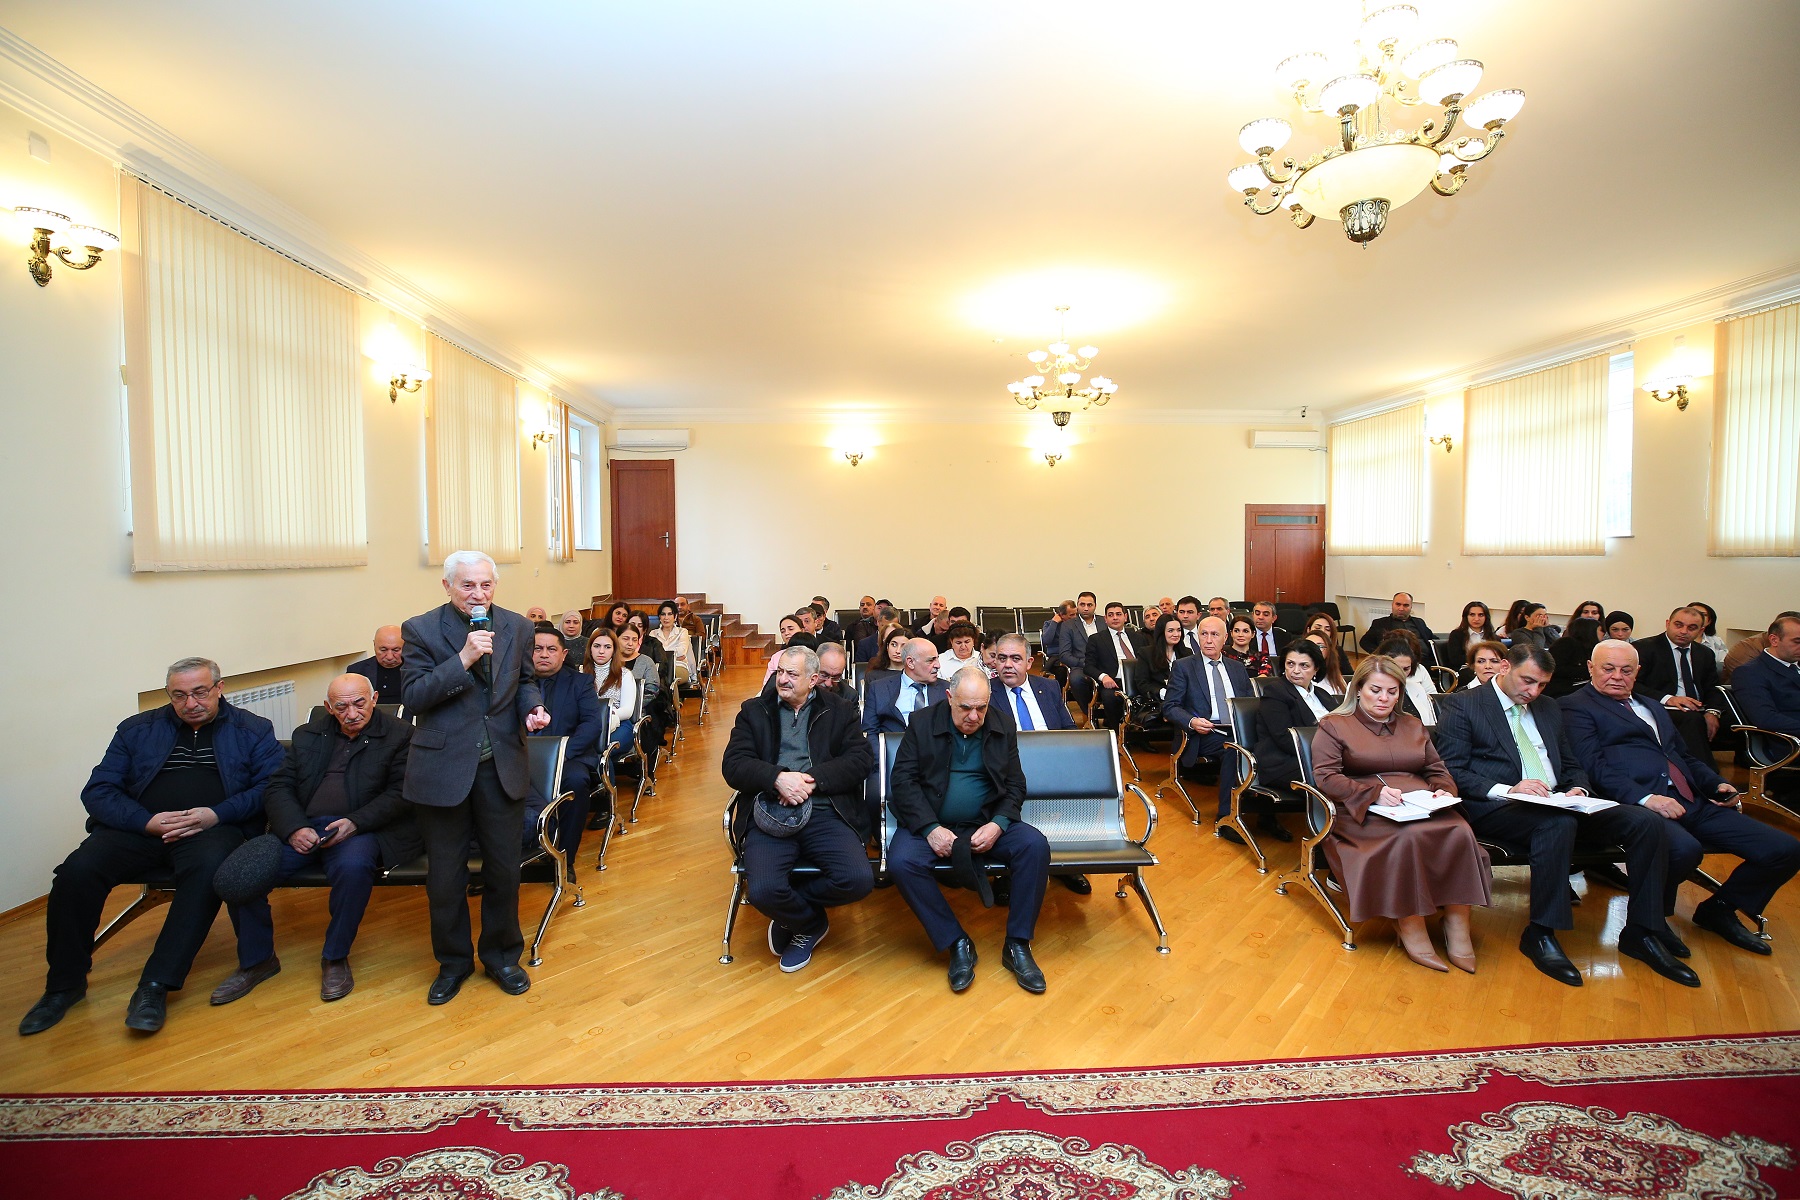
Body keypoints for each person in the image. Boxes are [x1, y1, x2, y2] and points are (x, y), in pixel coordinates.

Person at [18, 658, 284, 1037]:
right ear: (168, 695)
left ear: (219, 688)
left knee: (208, 872)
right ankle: (64, 985)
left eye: (200, 692)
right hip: (141, 827)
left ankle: (155, 985)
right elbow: (99, 790)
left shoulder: (253, 729)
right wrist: (146, 821)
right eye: (179, 695)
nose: (190, 703)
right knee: (76, 872)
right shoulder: (137, 729)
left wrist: (215, 814)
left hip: (212, 829)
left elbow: (270, 788)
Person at [1433, 646, 1692, 987]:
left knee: (1645, 822)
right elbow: (1451, 769)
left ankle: (1642, 931)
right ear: (1505, 666)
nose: (1533, 692)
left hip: (1557, 802)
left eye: (1542, 684)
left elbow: (1571, 764)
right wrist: (1509, 788)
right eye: (1527, 681)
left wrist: (1578, 790)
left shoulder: (1548, 707)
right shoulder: (1464, 705)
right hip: (1497, 805)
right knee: (1557, 824)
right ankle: (1541, 933)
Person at [1562, 640, 1800, 959]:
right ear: (1591, 668)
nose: (1617, 676)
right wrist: (1647, 798)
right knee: (1684, 850)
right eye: (1608, 668)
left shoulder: (1652, 705)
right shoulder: (1575, 706)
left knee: (1784, 849)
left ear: (1637, 672)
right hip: (1636, 806)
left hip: (1690, 800)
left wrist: (1717, 784)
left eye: (1626, 670)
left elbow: (1682, 756)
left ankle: (1720, 909)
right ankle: (1651, 922)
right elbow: (1593, 766)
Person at [400, 550, 551, 1006]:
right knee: (445, 877)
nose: (478, 594)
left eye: (486, 584)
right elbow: (414, 696)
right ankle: (453, 963)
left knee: (504, 871)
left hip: (500, 766)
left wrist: (533, 708)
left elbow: (525, 681)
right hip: (443, 770)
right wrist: (462, 658)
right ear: (448, 586)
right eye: (467, 585)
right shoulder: (420, 629)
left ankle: (502, 957)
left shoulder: (517, 626)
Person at [224, 674, 420, 1004]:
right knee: (243, 874)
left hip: (362, 828)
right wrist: (294, 828)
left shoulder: (401, 735)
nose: (352, 713)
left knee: (354, 868)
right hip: (304, 828)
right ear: (329, 707)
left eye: (359, 703)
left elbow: (402, 792)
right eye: (341, 707)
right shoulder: (307, 735)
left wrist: (355, 823)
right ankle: (257, 960)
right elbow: (278, 787)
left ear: (374, 699)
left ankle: (335, 957)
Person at [1310, 657, 1490, 972]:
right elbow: (1326, 777)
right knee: (1407, 837)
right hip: (1362, 808)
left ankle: (1457, 919)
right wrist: (1373, 793)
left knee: (1460, 831)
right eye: (1375, 690)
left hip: (1419, 802)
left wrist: (1443, 790)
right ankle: (1410, 922)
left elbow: (1436, 768)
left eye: (1392, 692)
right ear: (1358, 689)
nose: (1384, 698)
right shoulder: (1334, 725)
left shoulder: (1412, 724)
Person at [888, 668, 1051, 994]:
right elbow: (903, 782)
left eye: (981, 707)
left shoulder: (1002, 724)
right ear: (949, 698)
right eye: (965, 707)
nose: (974, 716)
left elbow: (1015, 784)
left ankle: (1018, 943)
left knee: (1034, 846)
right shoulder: (922, 723)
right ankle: (955, 941)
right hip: (932, 822)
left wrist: (998, 824)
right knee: (902, 862)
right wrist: (930, 828)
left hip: (985, 820)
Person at [721, 646, 874, 974]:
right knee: (763, 891)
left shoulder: (839, 710)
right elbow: (733, 765)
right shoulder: (754, 711)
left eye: (792, 674)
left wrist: (811, 780)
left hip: (825, 810)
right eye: (780, 672)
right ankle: (809, 923)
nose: (783, 679)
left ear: (813, 679)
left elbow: (861, 760)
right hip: (770, 811)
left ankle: (792, 913)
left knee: (858, 880)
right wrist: (777, 778)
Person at [1162, 617, 1253, 835]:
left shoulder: (1237, 668)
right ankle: (1227, 818)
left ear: (1225, 638)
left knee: (1266, 747)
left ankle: (1268, 815)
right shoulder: (1184, 666)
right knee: (1235, 749)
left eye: (1215, 635)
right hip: (1204, 733)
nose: (1209, 640)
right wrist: (1191, 721)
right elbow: (1170, 707)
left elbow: (1249, 703)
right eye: (1204, 634)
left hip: (1236, 729)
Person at [528, 630, 604, 871]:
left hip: (569, 756)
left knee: (576, 782)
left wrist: (560, 755)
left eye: (551, 649)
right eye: (538, 648)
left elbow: (592, 724)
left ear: (564, 654)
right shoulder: (514, 684)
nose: (544, 654)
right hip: (521, 756)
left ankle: (564, 859)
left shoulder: (580, 682)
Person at [1633, 606, 1724, 762]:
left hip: (1697, 706)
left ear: (1701, 630)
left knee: (1733, 723)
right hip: (1661, 706)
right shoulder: (1644, 648)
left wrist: (1713, 712)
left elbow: (1712, 687)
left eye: (1691, 628)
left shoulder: (1705, 653)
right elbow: (1634, 685)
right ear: (1668, 623)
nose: (1683, 631)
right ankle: (1704, 773)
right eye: (1678, 625)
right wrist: (1669, 699)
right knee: (1692, 720)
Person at [1253, 641, 1336, 800]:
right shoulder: (1275, 692)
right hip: (1285, 763)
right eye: (1290, 664)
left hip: (1323, 759)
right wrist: (1329, 753)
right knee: (1339, 777)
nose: (1296, 671)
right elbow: (1284, 738)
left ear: (1316, 668)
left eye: (1304, 665)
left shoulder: (1322, 695)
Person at [1731, 615, 1800, 802]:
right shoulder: (1750, 672)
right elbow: (1765, 718)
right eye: (1797, 642)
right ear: (1774, 640)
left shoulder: (1795, 666)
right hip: (1785, 743)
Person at [587, 629, 639, 805]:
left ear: (614, 650)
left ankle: (607, 805)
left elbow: (627, 710)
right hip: (588, 726)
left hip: (619, 725)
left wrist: (605, 716)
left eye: (607, 647)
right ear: (590, 648)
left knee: (603, 750)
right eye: (597, 646)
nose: (601, 651)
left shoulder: (625, 675)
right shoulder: (580, 674)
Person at [863, 638, 947, 739]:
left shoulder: (946, 689)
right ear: (910, 662)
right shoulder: (879, 688)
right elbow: (870, 731)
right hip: (894, 747)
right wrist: (880, 750)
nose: (938, 665)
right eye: (930, 660)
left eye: (937, 659)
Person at [988, 633, 1073, 733]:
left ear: (1029, 662)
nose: (1008, 665)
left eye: (1016, 659)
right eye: (1002, 658)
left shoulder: (1049, 687)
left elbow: (1069, 729)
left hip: (1051, 742)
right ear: (996, 661)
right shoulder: (986, 692)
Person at [1083, 601, 1146, 730]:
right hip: (1113, 682)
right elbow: (1088, 666)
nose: (1115, 618)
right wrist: (1103, 677)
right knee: (1109, 698)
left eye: (1118, 614)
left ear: (1125, 617)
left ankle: (1141, 733)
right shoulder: (1096, 639)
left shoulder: (1138, 637)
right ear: (1105, 619)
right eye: (1111, 615)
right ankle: (1117, 734)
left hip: (1138, 680)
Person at [1376, 633, 1439, 728]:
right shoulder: (1365, 689)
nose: (1401, 674)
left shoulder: (1417, 689)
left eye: (1406, 669)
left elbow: (1430, 726)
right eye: (1395, 668)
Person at [1723, 612, 1800, 682]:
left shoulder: (1790, 655)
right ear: (1774, 639)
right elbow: (1752, 680)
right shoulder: (1746, 650)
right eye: (1797, 641)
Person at [1359, 592, 1436, 652]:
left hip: (1426, 661)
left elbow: (1433, 639)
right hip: (1396, 662)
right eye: (1398, 604)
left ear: (1411, 607)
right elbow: (1365, 642)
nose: (1401, 608)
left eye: (1406, 605)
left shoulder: (1419, 622)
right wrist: (1380, 654)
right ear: (1392, 605)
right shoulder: (1380, 623)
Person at [347, 626, 406, 704]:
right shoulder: (356, 672)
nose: (389, 657)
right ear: (374, 645)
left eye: (396, 650)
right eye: (383, 650)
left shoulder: (417, 669)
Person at [1546, 617, 1602, 699]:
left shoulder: (1592, 648)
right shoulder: (1566, 643)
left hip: (1580, 687)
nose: (1603, 633)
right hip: (1562, 690)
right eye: (1600, 630)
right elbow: (1557, 668)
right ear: (1591, 631)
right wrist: (1590, 671)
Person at [1141, 612, 1192, 699]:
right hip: (1159, 700)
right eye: (1171, 631)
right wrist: (1162, 692)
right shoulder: (1146, 653)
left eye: (1179, 630)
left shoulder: (1187, 653)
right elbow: (1143, 684)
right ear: (1161, 632)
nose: (1176, 634)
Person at [1303, 611, 1354, 686]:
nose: (1322, 631)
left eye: (1327, 630)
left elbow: (1350, 676)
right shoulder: (1298, 649)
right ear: (1308, 630)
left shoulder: (1337, 651)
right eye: (1317, 628)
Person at [1440, 602, 1494, 672]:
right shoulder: (1457, 635)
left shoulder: (1493, 637)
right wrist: (1478, 660)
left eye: (1481, 615)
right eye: (1472, 615)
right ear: (1466, 617)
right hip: (1465, 670)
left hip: (1490, 669)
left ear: (1486, 617)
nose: (1476, 619)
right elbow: (1455, 659)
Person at [653, 600, 696, 681]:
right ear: (659, 617)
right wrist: (672, 656)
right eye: (663, 614)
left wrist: (660, 655)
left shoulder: (682, 632)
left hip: (679, 666)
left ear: (675, 616)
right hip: (658, 668)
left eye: (670, 614)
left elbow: (682, 651)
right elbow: (651, 655)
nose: (666, 618)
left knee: (667, 676)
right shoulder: (653, 633)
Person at [1226, 614, 1275, 679]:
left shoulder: (1261, 657)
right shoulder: (1222, 654)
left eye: (1245, 631)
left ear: (1253, 634)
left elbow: (1264, 678)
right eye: (1236, 631)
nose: (1240, 635)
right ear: (1231, 633)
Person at [1685, 600, 1729, 666]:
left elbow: (1724, 664)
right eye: (1694, 613)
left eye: (1703, 614)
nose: (1698, 617)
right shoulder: (1679, 638)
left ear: (1709, 621)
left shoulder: (1716, 641)